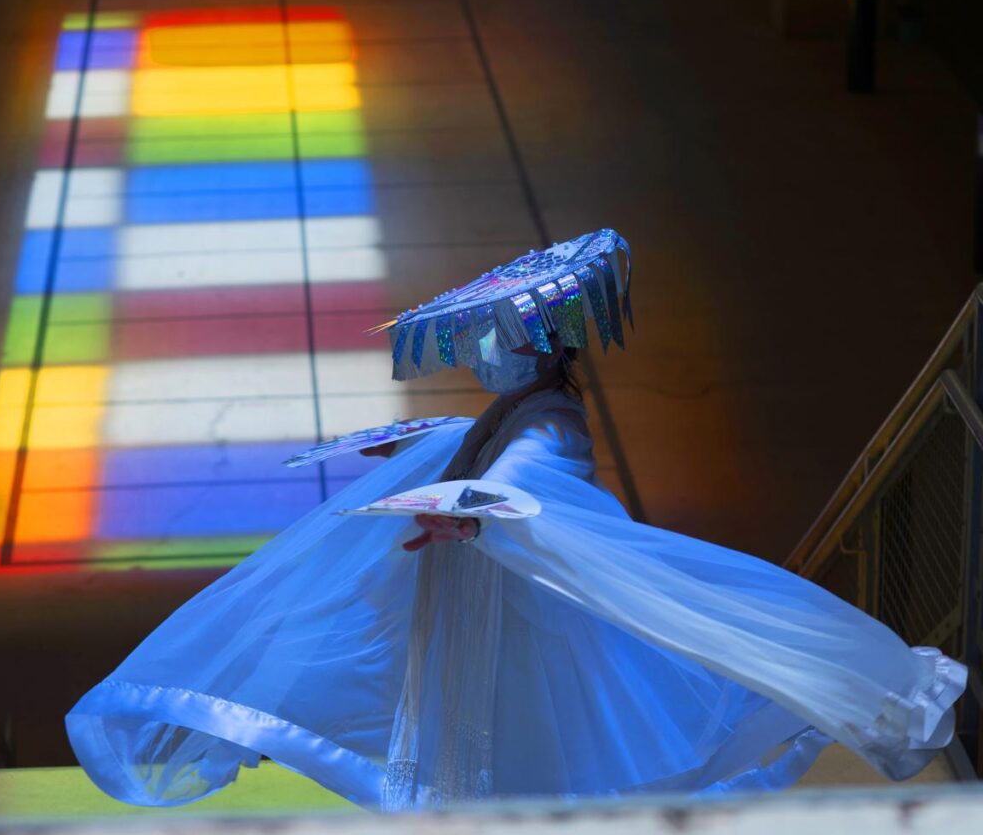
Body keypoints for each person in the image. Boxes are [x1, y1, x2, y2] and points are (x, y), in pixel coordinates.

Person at [66, 229, 967, 810]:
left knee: (527, 733)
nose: (483, 349)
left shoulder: (549, 420)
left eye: (498, 335)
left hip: (515, 599)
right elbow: (495, 447)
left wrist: (471, 506)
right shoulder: (516, 409)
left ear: (540, 342)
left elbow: (532, 477)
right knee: (486, 730)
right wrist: (436, 451)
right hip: (485, 589)